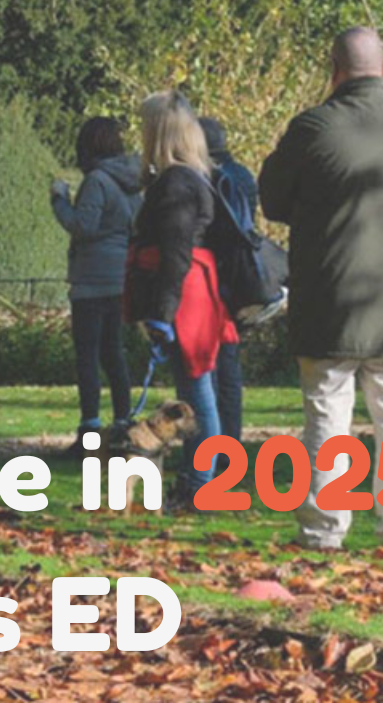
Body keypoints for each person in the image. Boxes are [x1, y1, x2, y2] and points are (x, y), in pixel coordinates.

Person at [259, 27, 383, 550]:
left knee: (327, 417)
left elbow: (272, 200)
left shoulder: (313, 127)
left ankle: (324, 531)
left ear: (333, 69)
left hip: (330, 298)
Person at [125, 91, 235, 507]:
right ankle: (200, 481)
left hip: (184, 294)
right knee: (200, 388)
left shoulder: (175, 184)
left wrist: (161, 313)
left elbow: (175, 252)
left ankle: (199, 485)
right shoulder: (192, 178)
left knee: (197, 393)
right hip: (193, 290)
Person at [50, 117, 142, 452]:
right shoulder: (131, 181)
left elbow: (83, 225)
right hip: (120, 276)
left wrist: (59, 200)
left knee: (87, 355)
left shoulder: (97, 181)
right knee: (113, 352)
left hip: (91, 277)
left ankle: (89, 429)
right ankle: (122, 422)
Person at [199, 117, 256, 471]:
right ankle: (229, 444)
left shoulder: (208, 178)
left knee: (209, 370)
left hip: (213, 277)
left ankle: (212, 449)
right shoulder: (243, 176)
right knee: (229, 369)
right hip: (241, 278)